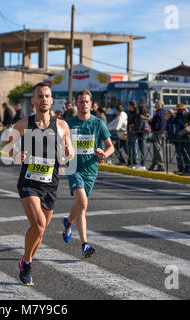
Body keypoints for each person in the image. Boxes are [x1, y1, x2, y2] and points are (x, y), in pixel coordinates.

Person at [5, 82, 73, 286]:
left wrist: (68, 152)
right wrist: (17, 153)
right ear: (33, 100)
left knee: (40, 231)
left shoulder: (62, 126)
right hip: (29, 183)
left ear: (52, 100)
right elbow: (7, 146)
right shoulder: (23, 125)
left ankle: (26, 260)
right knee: (39, 225)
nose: (44, 99)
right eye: (40, 96)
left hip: (50, 184)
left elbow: (69, 152)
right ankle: (27, 265)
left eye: (47, 96)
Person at [62, 90, 114, 258]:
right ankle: (85, 244)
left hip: (91, 170)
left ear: (91, 104)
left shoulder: (98, 123)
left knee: (79, 204)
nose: (84, 104)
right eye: (81, 102)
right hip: (74, 168)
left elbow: (110, 146)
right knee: (83, 204)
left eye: (87, 101)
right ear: (76, 104)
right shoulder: (69, 124)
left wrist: (104, 154)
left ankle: (68, 221)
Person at [171, 103, 190, 176]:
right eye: (177, 109)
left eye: (180, 109)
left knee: (189, 154)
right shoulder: (176, 117)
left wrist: (187, 111)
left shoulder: (186, 115)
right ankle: (185, 169)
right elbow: (174, 124)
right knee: (183, 154)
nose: (179, 110)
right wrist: (173, 113)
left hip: (189, 137)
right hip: (181, 137)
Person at [149, 100, 167, 171]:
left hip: (157, 133)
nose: (154, 105)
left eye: (156, 104)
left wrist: (150, 121)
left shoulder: (158, 113)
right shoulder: (164, 112)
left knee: (158, 150)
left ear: (159, 105)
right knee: (157, 150)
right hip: (162, 133)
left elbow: (156, 125)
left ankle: (161, 166)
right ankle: (153, 165)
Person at [133, 104, 150, 170]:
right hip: (144, 134)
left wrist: (134, 129)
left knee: (142, 150)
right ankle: (142, 164)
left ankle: (143, 164)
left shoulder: (140, 117)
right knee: (142, 150)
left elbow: (139, 126)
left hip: (141, 134)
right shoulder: (146, 117)